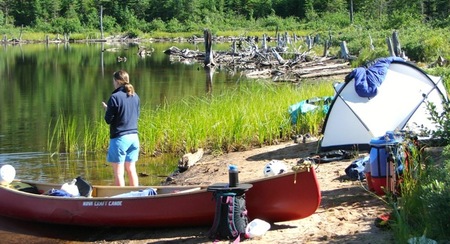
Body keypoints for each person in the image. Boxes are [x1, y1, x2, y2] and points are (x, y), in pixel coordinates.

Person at [102, 70, 140, 186]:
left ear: (117, 81)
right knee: (131, 169)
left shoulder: (114, 97)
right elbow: (135, 115)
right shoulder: (135, 96)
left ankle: (121, 199)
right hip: (134, 137)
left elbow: (108, 120)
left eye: (113, 81)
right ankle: (136, 196)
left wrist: (107, 109)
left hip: (120, 139)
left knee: (119, 173)